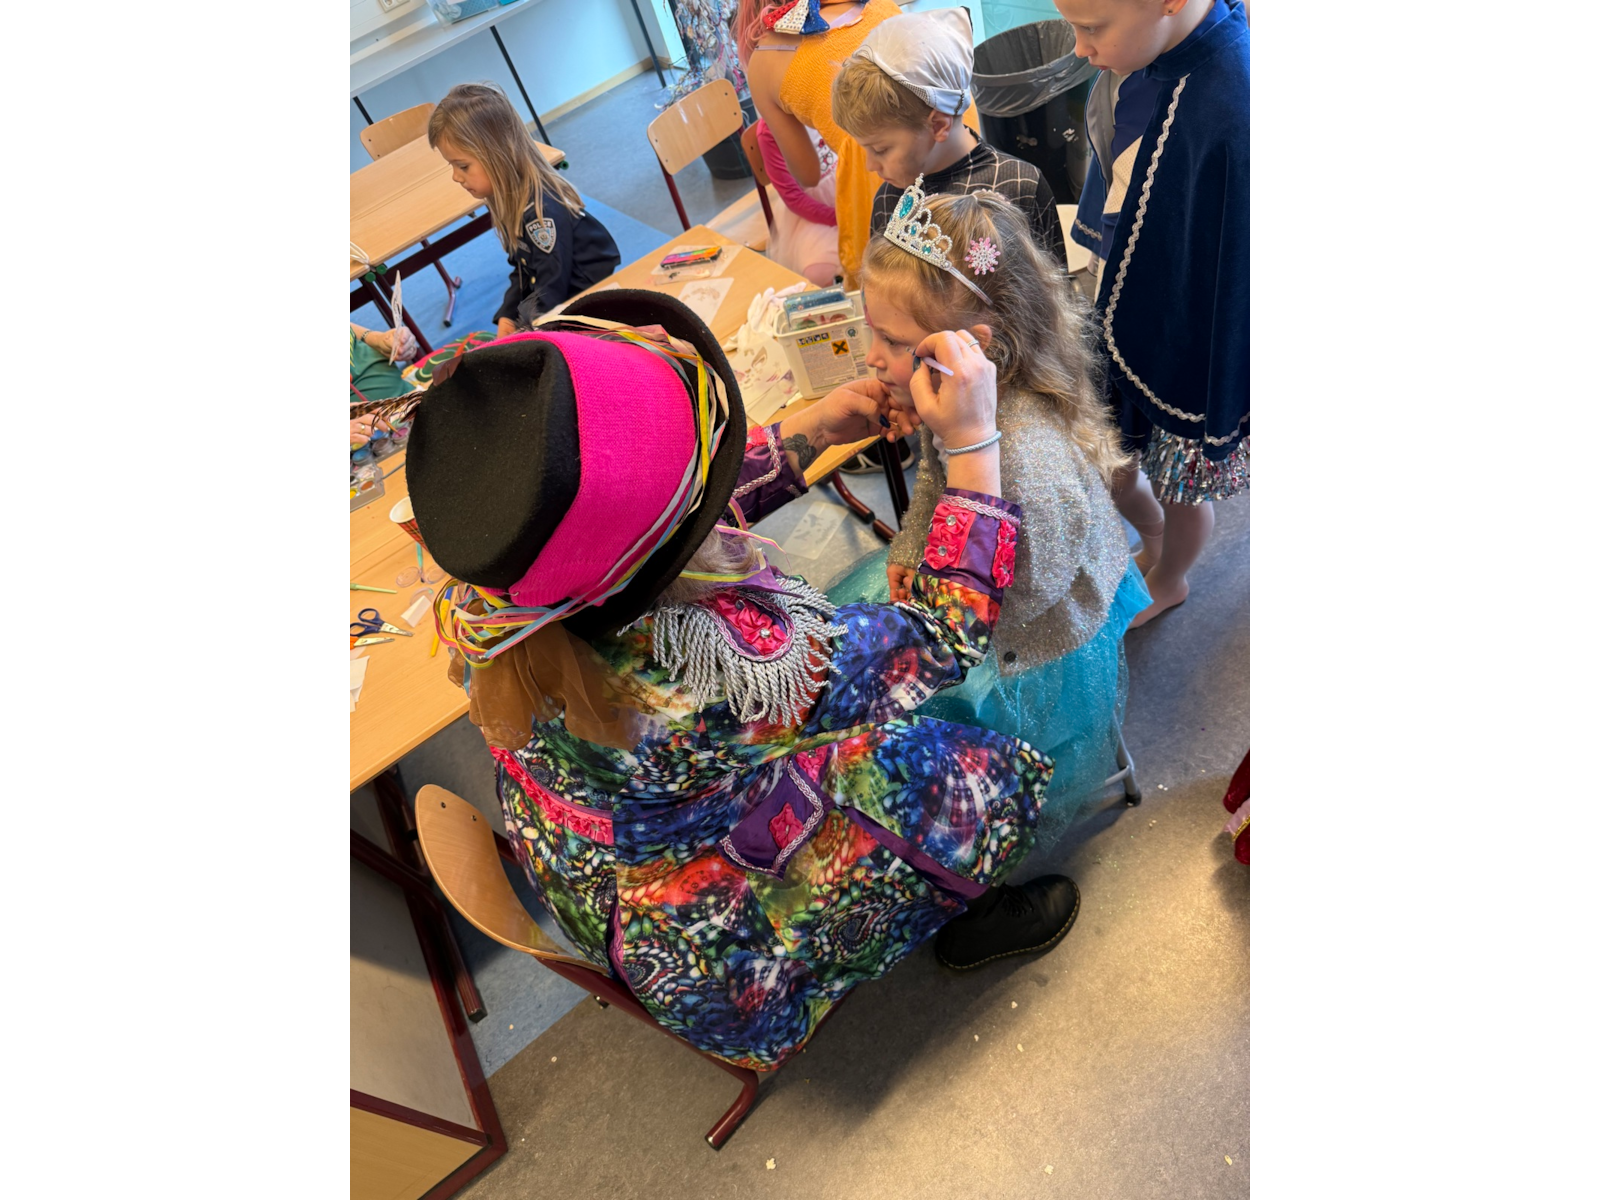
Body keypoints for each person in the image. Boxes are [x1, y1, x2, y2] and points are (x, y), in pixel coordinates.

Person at [400, 287, 1080, 1069]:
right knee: (959, 778)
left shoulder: (497, 597)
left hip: (599, 874)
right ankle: (963, 911)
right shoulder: (718, 672)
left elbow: (645, 535)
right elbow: (942, 631)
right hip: (715, 939)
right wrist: (973, 446)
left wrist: (807, 433)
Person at [827, 185, 1149, 849]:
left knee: (974, 744)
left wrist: (944, 600)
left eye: (891, 339)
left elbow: (1033, 589)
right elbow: (934, 475)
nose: (871, 356)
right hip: (974, 586)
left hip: (1031, 632)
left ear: (974, 343)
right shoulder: (954, 396)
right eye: (870, 329)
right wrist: (910, 547)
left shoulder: (1028, 458)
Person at [1057, 0, 1250, 625]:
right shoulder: (1140, 56)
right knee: (1125, 455)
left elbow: (1230, 266)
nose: (1080, 48)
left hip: (1189, 343)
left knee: (1180, 489)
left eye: (1091, 28)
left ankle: (1171, 579)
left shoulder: (1232, 103)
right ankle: (1156, 550)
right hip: (1128, 301)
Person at [833, 7, 1067, 261]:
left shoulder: (1020, 186)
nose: (870, 165)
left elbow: (1051, 283)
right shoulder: (890, 199)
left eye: (880, 149)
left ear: (938, 125)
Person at [427, 83, 621, 338]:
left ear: (498, 156)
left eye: (463, 166)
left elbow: (552, 286)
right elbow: (524, 268)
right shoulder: (509, 198)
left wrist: (526, 330)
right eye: (452, 166)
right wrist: (508, 314)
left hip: (585, 292)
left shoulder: (542, 214)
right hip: (559, 287)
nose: (455, 176)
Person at [738, 0, 904, 291]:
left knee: (880, 278)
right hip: (940, 140)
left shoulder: (765, 65)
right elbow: (801, 190)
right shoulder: (878, 7)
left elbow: (808, 174)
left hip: (875, 185)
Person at [750, 117, 843, 289]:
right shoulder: (769, 131)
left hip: (846, 188)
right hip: (812, 213)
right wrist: (838, 217)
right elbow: (793, 198)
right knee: (818, 272)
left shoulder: (820, 106)